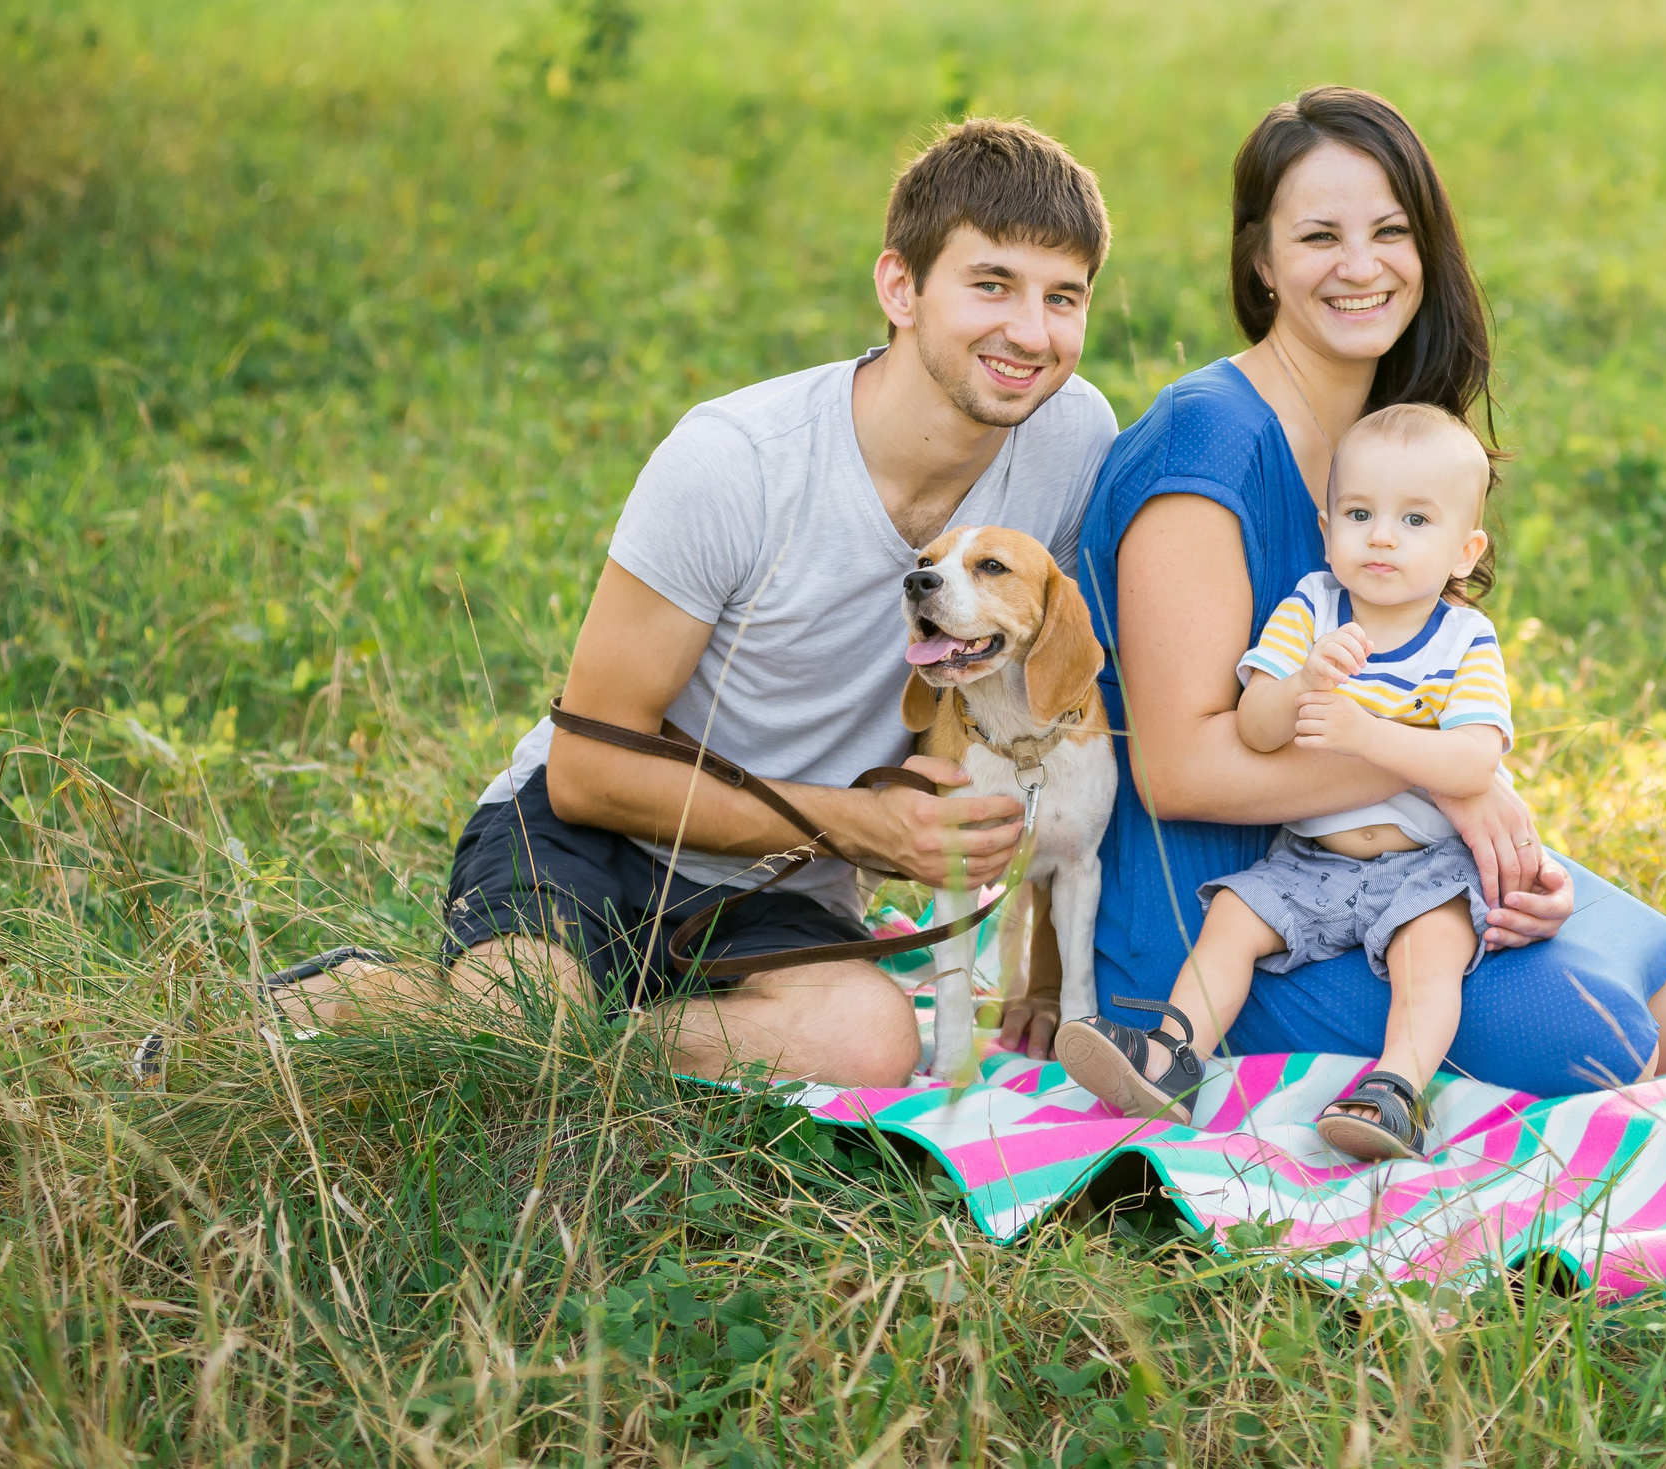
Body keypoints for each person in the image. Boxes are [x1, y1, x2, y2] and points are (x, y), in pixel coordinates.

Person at [267, 118, 1119, 1087]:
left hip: (781, 889)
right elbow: (589, 769)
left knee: (870, 1041)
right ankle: (375, 1001)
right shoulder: (735, 459)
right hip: (592, 836)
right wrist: (856, 822)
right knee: (522, 1008)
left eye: (1065, 297)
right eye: (992, 284)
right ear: (900, 287)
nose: (1032, 332)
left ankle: (574, 1036)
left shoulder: (1073, 435)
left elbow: (1039, 659)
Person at [1070, 86, 1666, 1111]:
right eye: (1319, 234)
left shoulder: (1389, 442)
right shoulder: (1207, 442)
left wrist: (1473, 828)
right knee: (1604, 1037)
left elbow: (1428, 692)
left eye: (1390, 230)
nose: (1362, 265)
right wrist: (1453, 788)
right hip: (1223, 919)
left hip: (1401, 869)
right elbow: (1177, 768)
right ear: (1260, 259)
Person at [1058, 402, 1523, 1159]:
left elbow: (1474, 762)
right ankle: (1174, 1053)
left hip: (1425, 863)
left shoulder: (1464, 639)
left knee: (1430, 953)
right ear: (1326, 524)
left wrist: (1366, 733)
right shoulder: (1312, 606)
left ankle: (1395, 1090)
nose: (1380, 535)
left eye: (1414, 520)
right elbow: (1254, 725)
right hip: (1309, 858)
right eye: (1360, 512)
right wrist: (1304, 678)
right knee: (1233, 919)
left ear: (1465, 550)